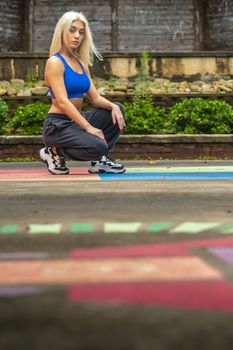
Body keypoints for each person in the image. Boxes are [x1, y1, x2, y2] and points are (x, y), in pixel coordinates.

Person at [39, 11, 126, 175]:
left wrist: (113, 106)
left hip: (76, 120)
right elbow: (62, 102)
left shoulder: (81, 63)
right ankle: (54, 152)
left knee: (116, 109)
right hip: (58, 125)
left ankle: (99, 160)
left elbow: (95, 98)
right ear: (62, 31)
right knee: (99, 146)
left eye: (81, 32)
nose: (77, 36)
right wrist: (88, 127)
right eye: (72, 30)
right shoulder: (55, 62)